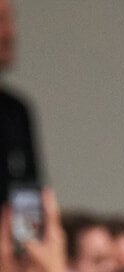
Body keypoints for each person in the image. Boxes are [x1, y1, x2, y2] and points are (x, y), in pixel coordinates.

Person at [0, 0, 41, 209]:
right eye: (1, 20)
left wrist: (26, 240)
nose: (10, 33)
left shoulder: (15, 113)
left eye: (11, 20)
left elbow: (27, 196)